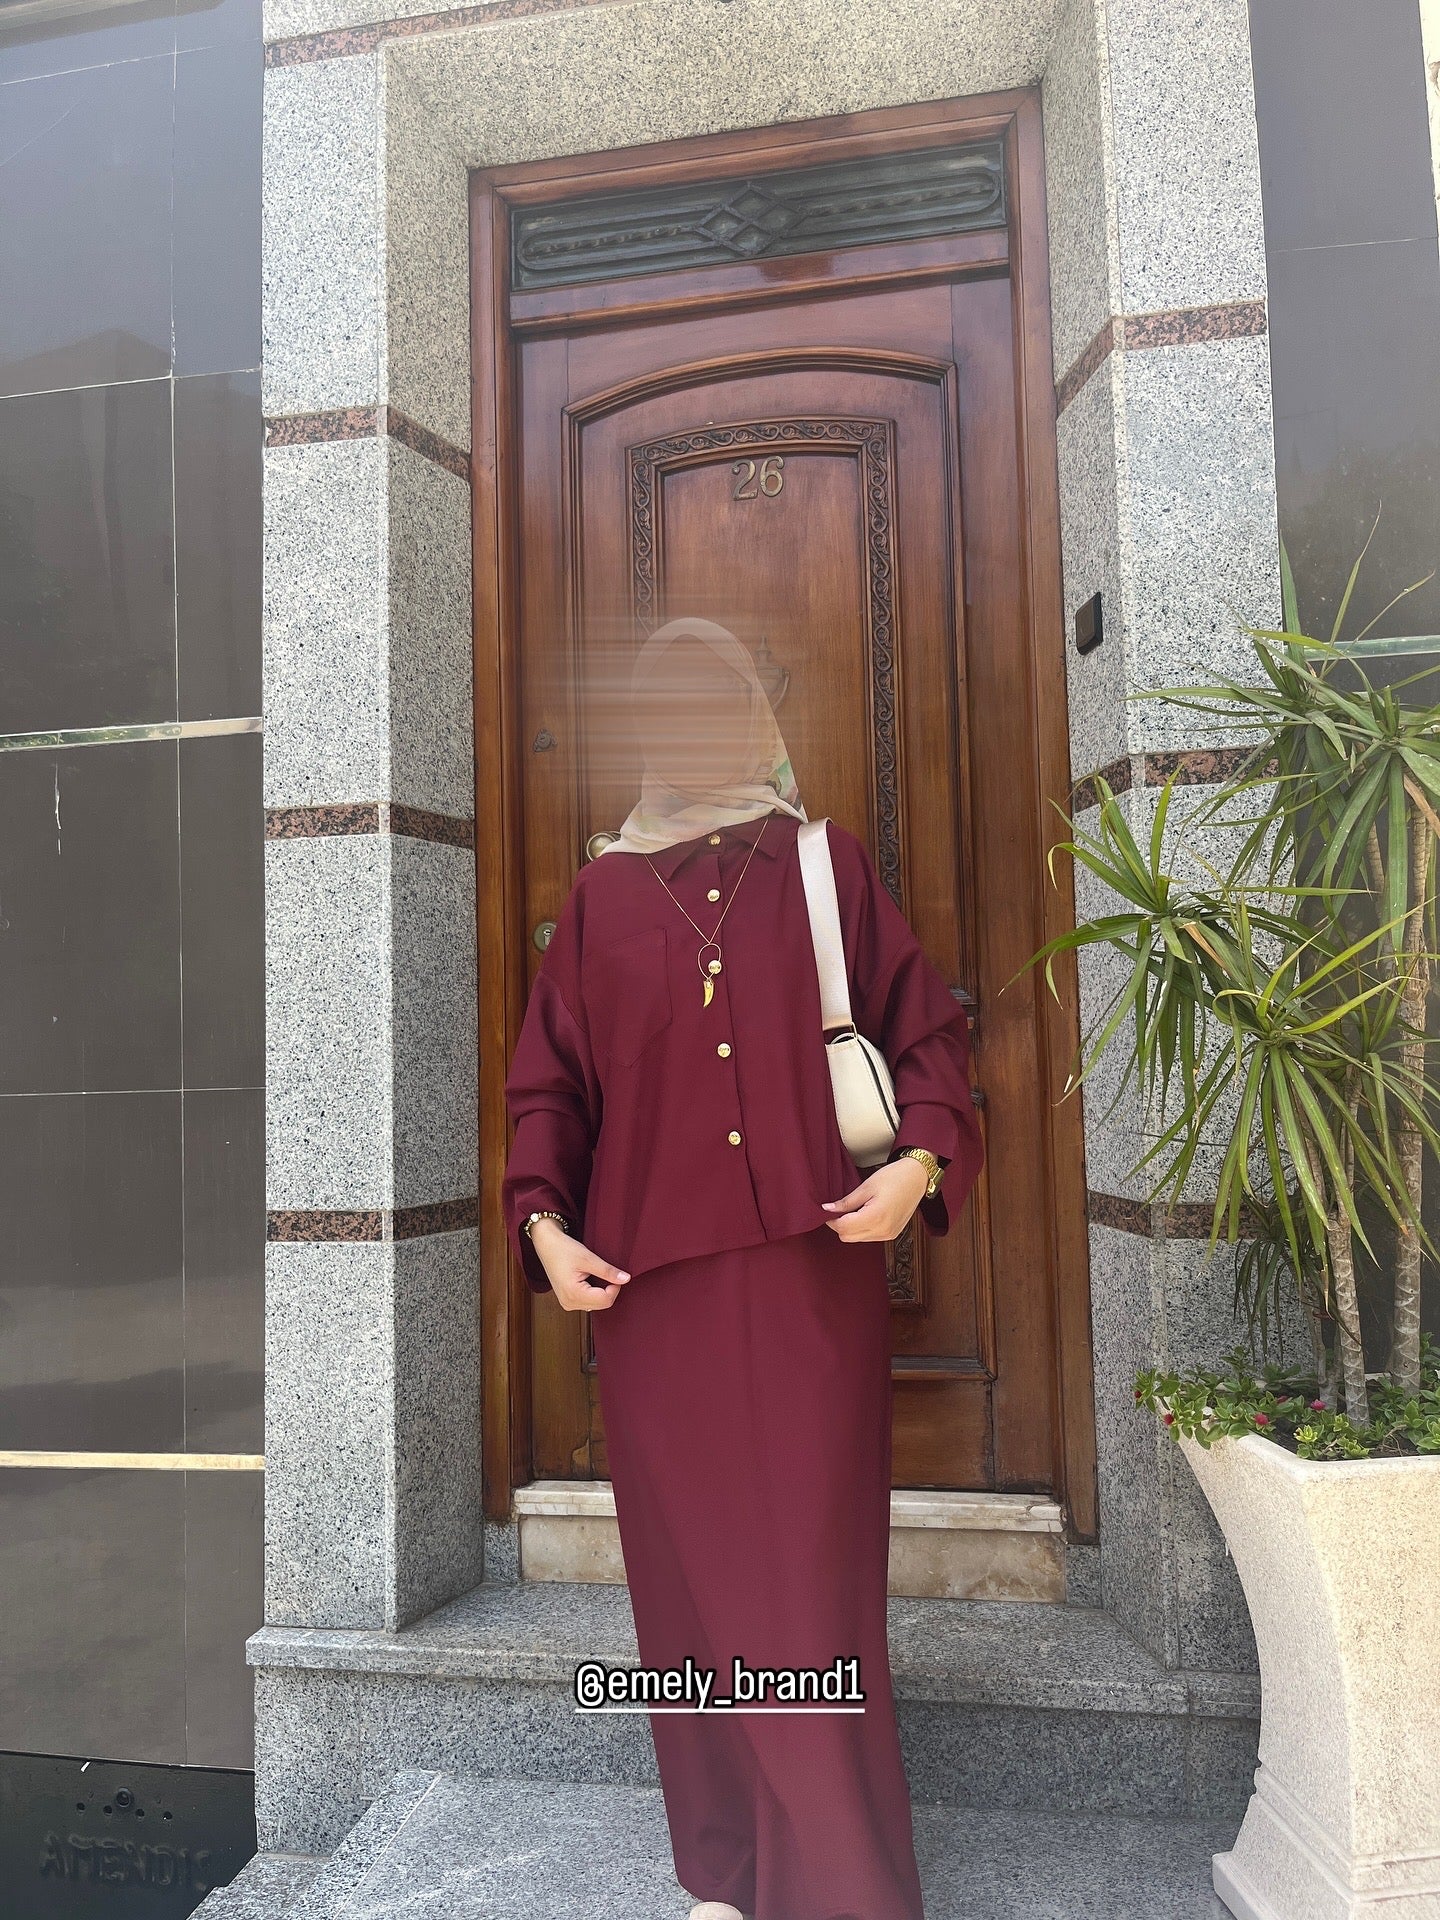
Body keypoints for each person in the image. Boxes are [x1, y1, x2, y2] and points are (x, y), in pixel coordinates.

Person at [502, 615, 984, 1920]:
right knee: (688, 1591)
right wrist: (543, 1227)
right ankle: (720, 1869)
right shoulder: (601, 900)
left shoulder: (824, 866)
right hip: (653, 1306)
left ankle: (839, 1884)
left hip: (810, 1287)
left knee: (812, 1584)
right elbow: (549, 1091)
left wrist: (919, 1166)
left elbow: (927, 1037)